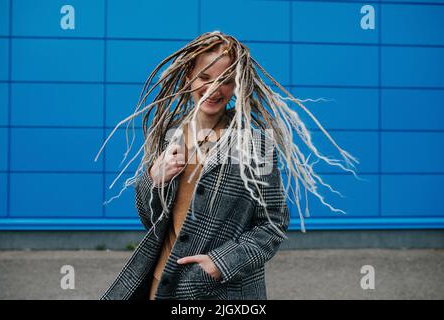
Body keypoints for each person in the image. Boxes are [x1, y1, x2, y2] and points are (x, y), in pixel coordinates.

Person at [96, 31, 358, 300]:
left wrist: (218, 265)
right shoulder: (169, 136)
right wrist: (153, 179)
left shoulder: (256, 145)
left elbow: (273, 225)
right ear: (189, 76)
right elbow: (151, 220)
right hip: (159, 284)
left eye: (225, 80)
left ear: (236, 86)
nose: (213, 88)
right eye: (205, 77)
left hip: (221, 292)